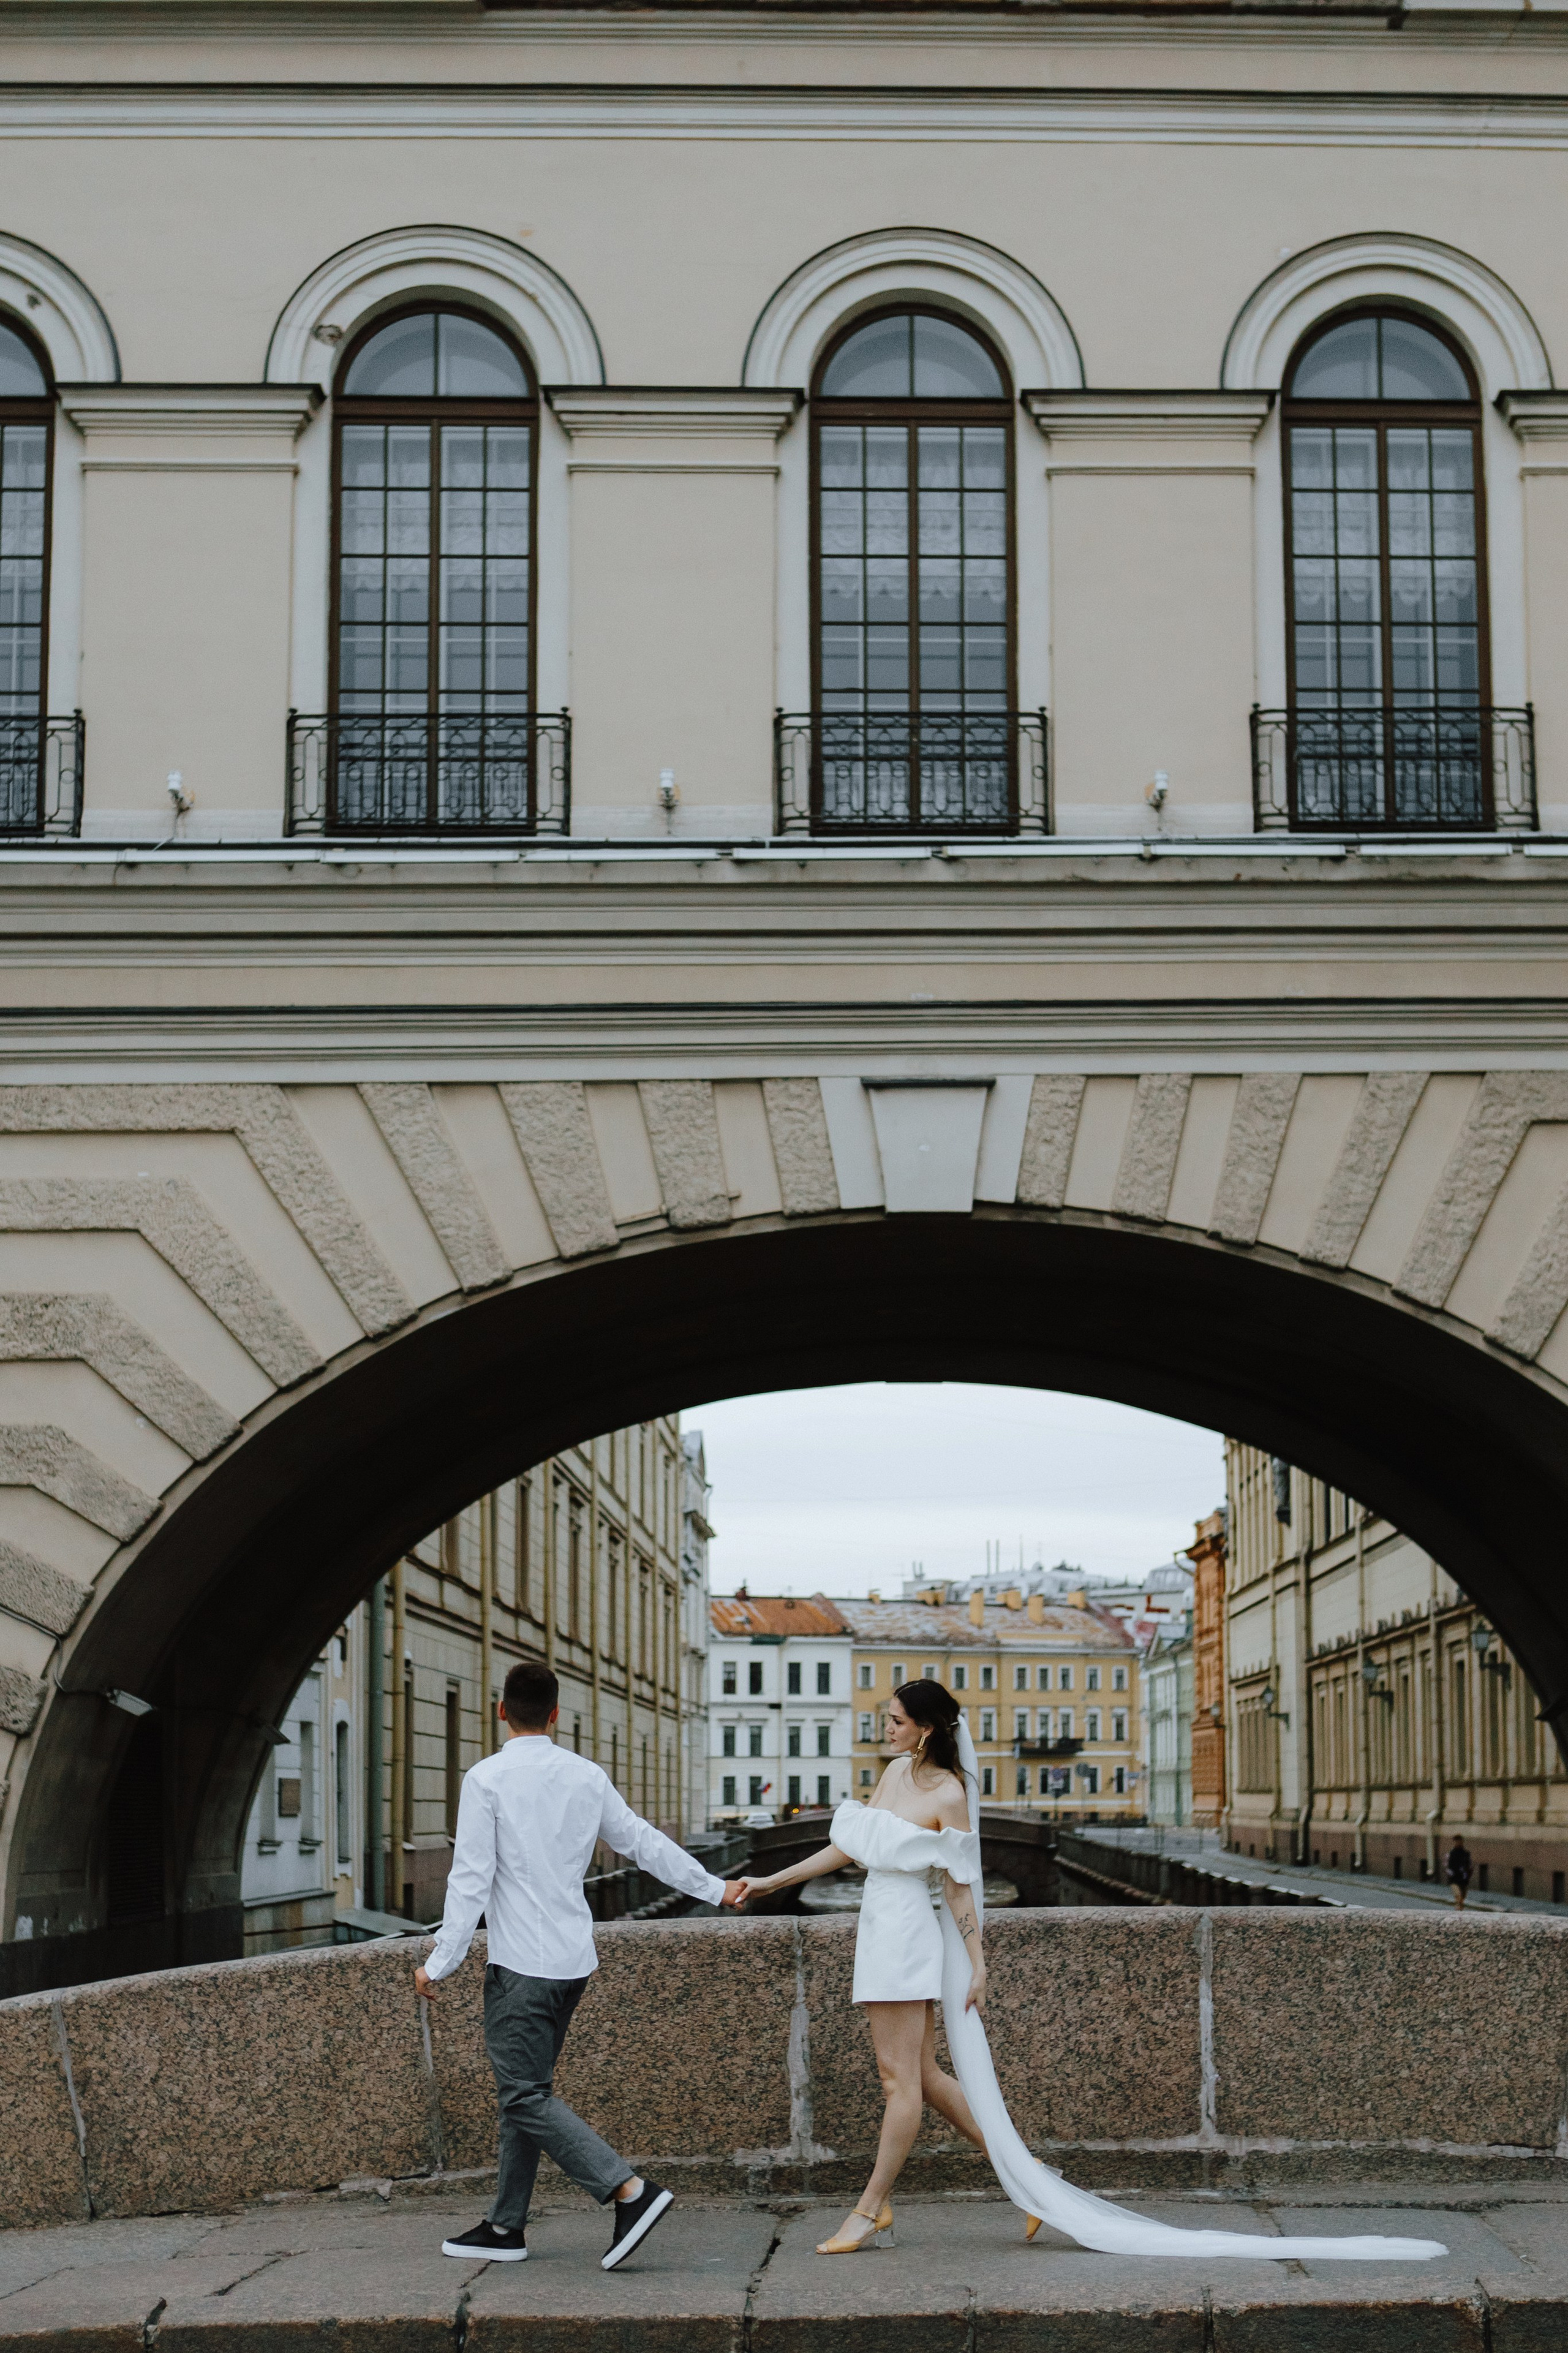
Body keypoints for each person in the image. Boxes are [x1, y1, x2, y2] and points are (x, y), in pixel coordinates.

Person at [734, 1678, 1447, 2265]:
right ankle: (1037, 2186)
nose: (882, 1727)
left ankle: (870, 2208)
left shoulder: (949, 1794)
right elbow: (846, 1849)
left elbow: (958, 1886)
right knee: (922, 2077)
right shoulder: (891, 1775)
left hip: (908, 1939)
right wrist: (769, 1882)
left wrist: (978, 1963)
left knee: (899, 2081)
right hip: (880, 1928)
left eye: (892, 1720)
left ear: (923, 1728)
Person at [414, 1657, 746, 2270]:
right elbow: (641, 1841)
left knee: (521, 2096)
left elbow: (471, 1878)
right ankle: (505, 2225)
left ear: (500, 1711)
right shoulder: (585, 1775)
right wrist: (714, 1887)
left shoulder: (486, 1779)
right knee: (528, 2092)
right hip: (570, 1962)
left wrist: (439, 1962)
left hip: (521, 1966)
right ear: (556, 1714)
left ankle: (628, 2190)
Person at [1445, 1836, 1474, 1910]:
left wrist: (1468, 1875)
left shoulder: (1466, 1854)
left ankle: (1460, 1909)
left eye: (1460, 1841)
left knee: (1463, 1897)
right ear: (1454, 1842)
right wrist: (1449, 1873)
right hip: (1454, 1879)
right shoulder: (1450, 1854)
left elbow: (1470, 1866)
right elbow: (1446, 1865)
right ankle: (1458, 1909)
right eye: (1456, 1841)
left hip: (1464, 1879)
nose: (1458, 1843)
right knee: (1458, 1895)